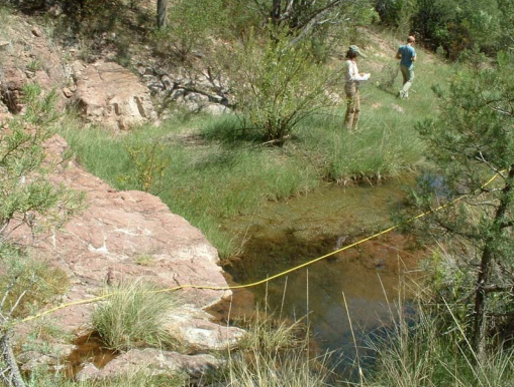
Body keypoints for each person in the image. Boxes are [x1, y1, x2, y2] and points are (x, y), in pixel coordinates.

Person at [343, 45, 370, 131]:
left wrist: (360, 74)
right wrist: (362, 77)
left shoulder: (353, 63)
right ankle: (347, 129)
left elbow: (354, 74)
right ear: (354, 54)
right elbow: (351, 77)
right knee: (351, 109)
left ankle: (355, 128)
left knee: (357, 109)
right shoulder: (348, 63)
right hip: (351, 86)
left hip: (356, 87)